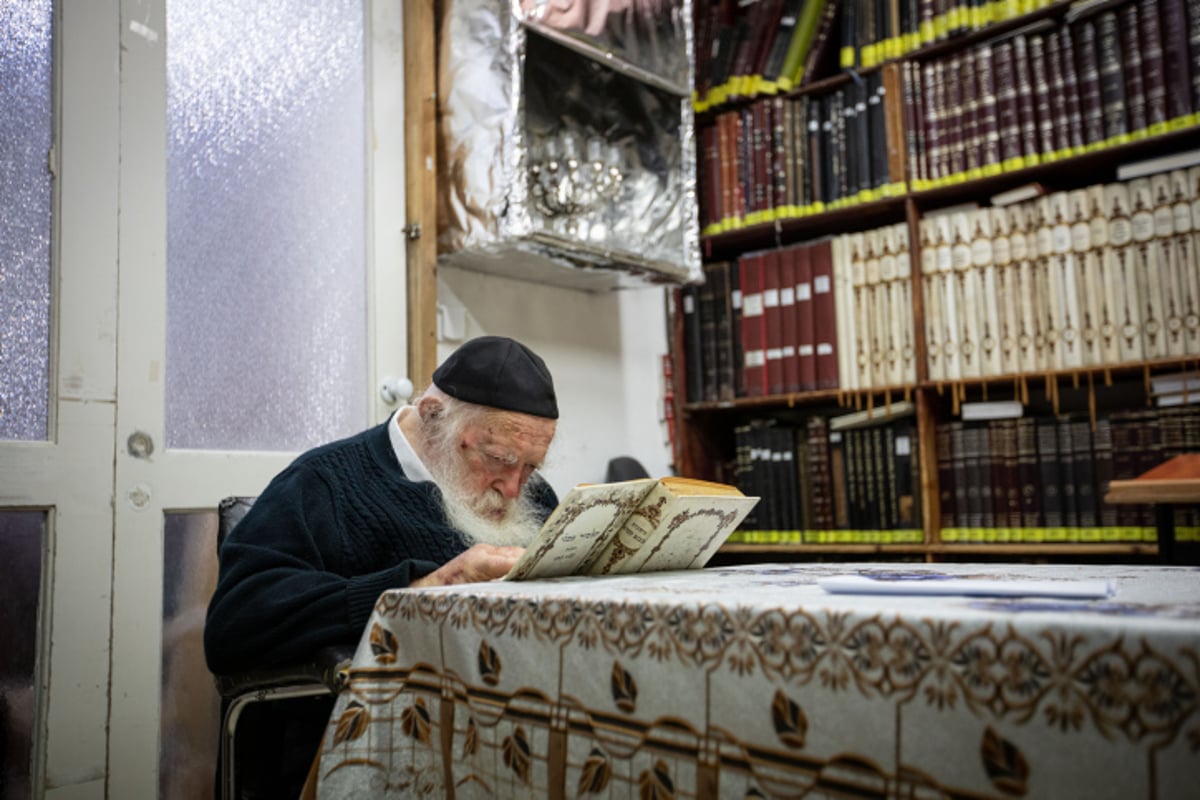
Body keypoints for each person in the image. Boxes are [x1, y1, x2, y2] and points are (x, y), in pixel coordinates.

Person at [204, 335, 560, 799]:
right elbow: (235, 622)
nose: (515, 489)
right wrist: (416, 589)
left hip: (503, 740)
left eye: (530, 467)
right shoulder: (323, 484)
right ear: (433, 416)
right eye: (497, 460)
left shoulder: (533, 498)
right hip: (366, 751)